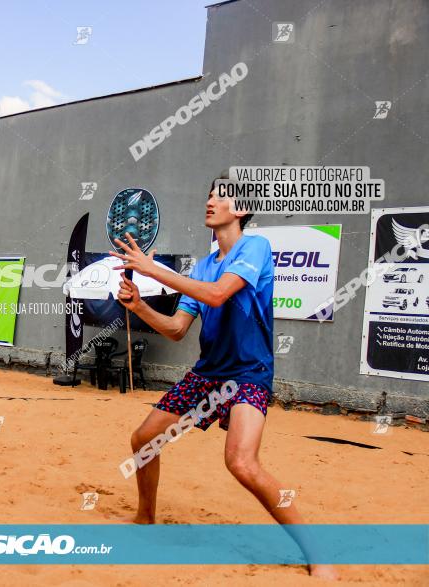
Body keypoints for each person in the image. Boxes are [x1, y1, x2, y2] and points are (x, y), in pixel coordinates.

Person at [110, 175, 337, 580]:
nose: (210, 201)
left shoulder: (256, 248)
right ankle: (145, 518)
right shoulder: (203, 264)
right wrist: (140, 306)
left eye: (220, 195)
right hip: (208, 374)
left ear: (242, 208)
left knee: (241, 463)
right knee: (143, 441)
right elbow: (178, 328)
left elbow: (217, 294)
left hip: (249, 373)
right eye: (208, 194)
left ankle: (318, 552)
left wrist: (153, 269)